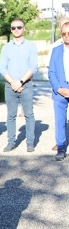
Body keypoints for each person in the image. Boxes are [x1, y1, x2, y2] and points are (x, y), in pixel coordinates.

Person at [0, 18, 38, 152]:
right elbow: (3, 69)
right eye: (13, 27)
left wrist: (20, 82)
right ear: (11, 30)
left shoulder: (31, 46)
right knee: (11, 115)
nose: (16, 29)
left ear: (24, 28)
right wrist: (13, 83)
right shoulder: (6, 47)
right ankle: (11, 142)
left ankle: (30, 142)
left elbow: (33, 67)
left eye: (19, 27)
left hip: (26, 85)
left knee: (29, 114)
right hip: (10, 86)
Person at [48, 21, 69, 161]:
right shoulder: (56, 51)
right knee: (60, 121)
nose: (66, 36)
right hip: (60, 91)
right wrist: (59, 89)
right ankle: (61, 147)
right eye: (64, 33)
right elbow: (51, 72)